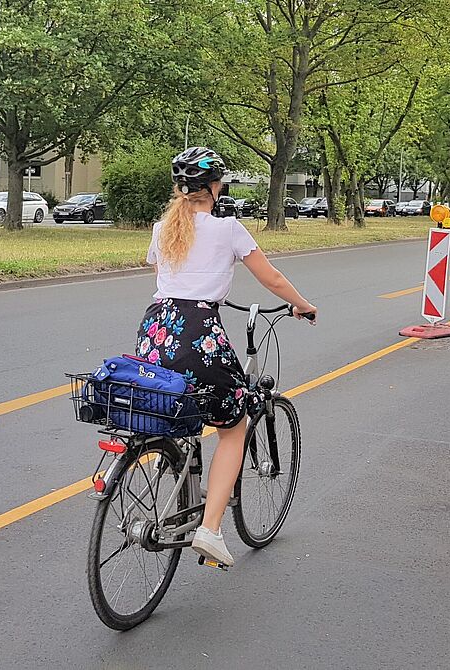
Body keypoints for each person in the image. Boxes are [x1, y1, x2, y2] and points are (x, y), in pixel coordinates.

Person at [136, 147, 317, 567]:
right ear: (216, 187)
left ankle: (179, 466)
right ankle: (211, 529)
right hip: (201, 332)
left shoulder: (163, 227)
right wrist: (303, 305)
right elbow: (270, 277)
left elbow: (164, 281)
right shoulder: (229, 228)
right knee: (232, 426)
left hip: (155, 331)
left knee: (182, 405)